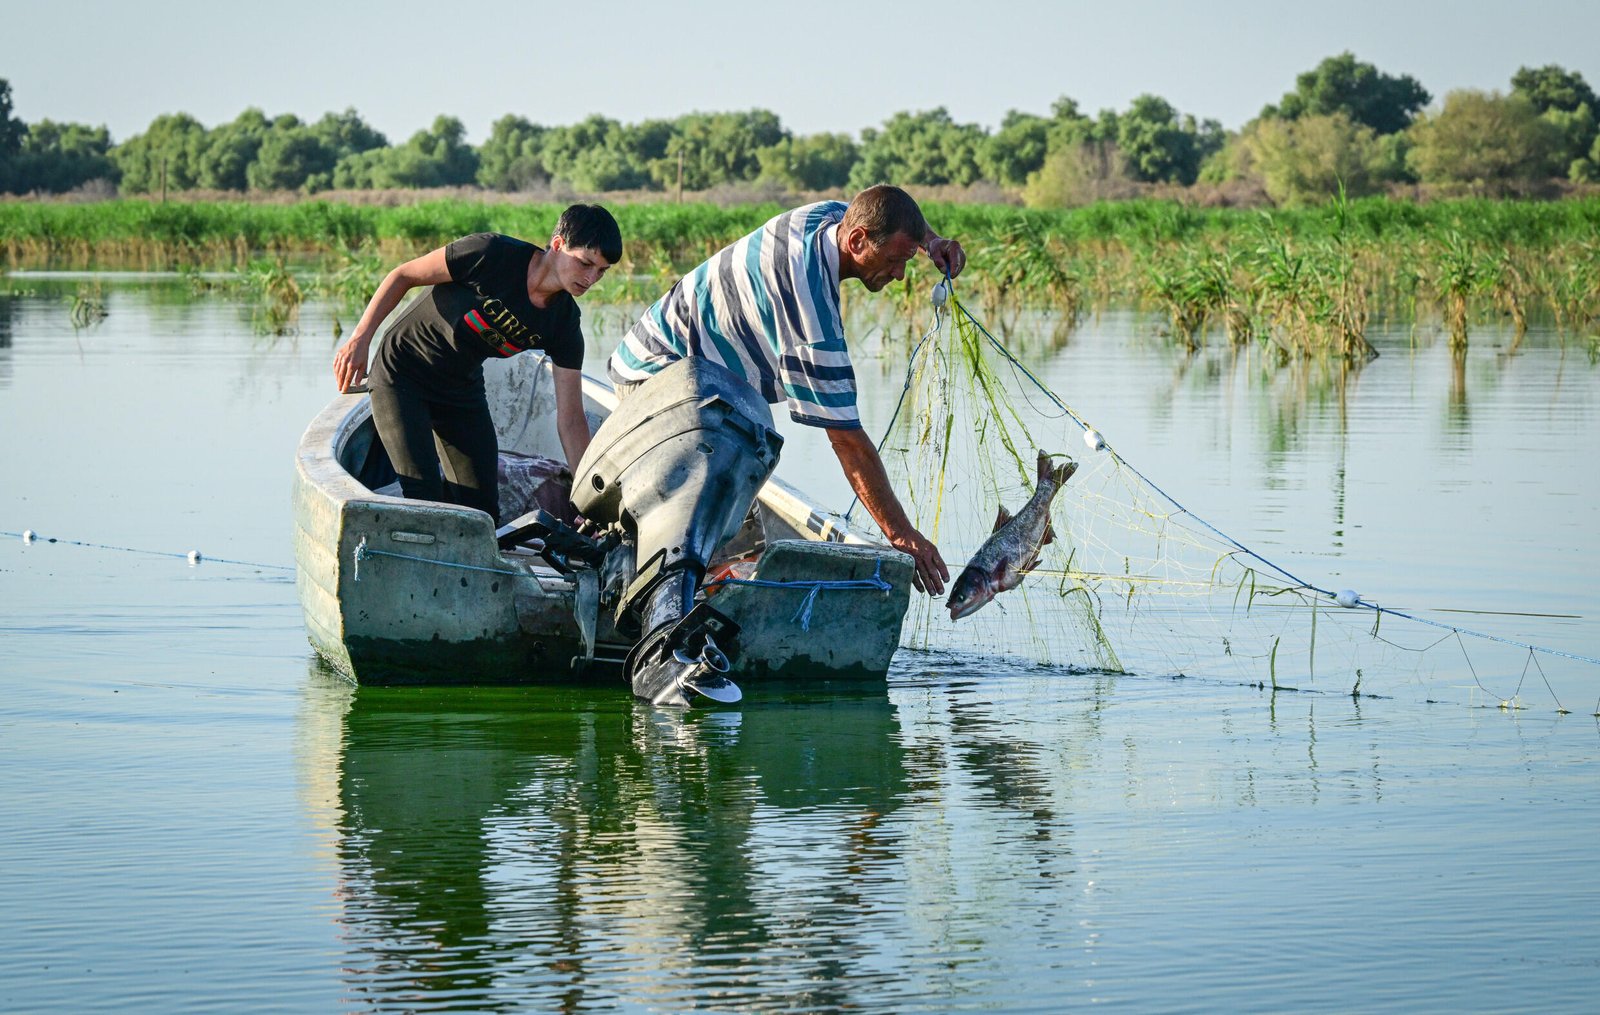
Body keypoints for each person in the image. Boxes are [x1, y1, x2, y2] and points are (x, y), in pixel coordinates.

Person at [608, 184, 964, 596]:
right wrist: (902, 535)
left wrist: (930, 241)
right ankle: (674, 592)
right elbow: (849, 443)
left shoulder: (826, 216)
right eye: (895, 260)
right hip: (656, 381)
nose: (900, 274)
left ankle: (715, 577)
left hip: (695, 374)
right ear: (857, 240)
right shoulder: (811, 314)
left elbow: (887, 211)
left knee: (744, 467)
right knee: (710, 516)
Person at [333, 205, 621, 523]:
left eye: (602, 271)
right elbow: (403, 275)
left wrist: (588, 501)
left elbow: (571, 419)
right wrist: (360, 339)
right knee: (424, 498)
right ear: (557, 245)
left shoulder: (564, 324)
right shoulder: (490, 253)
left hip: (461, 389)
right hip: (403, 373)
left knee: (484, 513)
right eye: (585, 263)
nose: (592, 278)